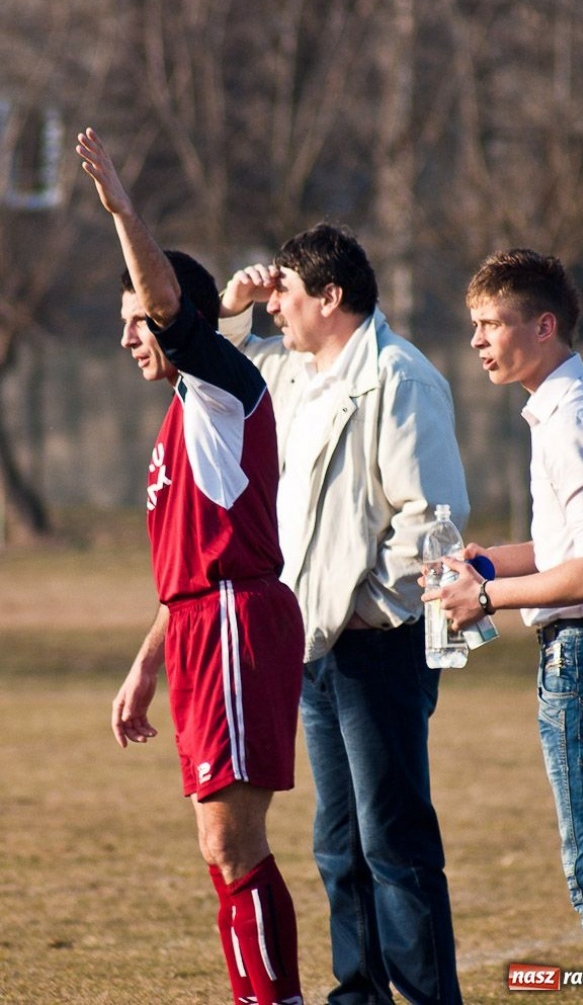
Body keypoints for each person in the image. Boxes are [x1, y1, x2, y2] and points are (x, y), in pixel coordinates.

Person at [76, 127, 305, 1005]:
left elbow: (172, 303)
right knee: (223, 847)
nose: (129, 338)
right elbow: (186, 570)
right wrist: (145, 666)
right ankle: (264, 994)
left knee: (232, 843)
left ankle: (268, 998)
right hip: (205, 625)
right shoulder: (182, 412)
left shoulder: (219, 388)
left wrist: (123, 210)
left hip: (238, 625)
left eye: (134, 321)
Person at [218, 225, 469, 1005]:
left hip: (376, 645)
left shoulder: (399, 376)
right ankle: (357, 994)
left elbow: (431, 518)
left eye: (287, 293)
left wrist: (366, 608)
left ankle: (428, 996)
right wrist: (232, 308)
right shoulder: (295, 372)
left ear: (330, 298)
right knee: (338, 843)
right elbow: (219, 376)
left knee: (392, 840)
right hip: (314, 649)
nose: (276, 308)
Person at [427, 247, 583, 1004]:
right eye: (472, 325)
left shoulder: (572, 417)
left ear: (542, 325)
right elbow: (569, 549)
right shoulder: (580, 403)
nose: (476, 340)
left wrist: (486, 602)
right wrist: (487, 564)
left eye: (490, 323)